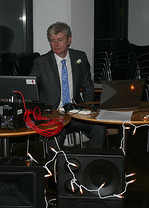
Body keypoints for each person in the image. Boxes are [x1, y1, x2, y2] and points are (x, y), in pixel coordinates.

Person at [29, 22, 106, 156]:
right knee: (56, 134)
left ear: (69, 40)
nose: (56, 44)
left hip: (75, 110)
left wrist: (86, 105)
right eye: (52, 41)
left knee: (99, 128)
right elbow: (30, 85)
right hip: (52, 113)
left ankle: (90, 164)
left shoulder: (79, 57)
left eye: (60, 40)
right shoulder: (41, 62)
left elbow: (87, 83)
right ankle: (55, 170)